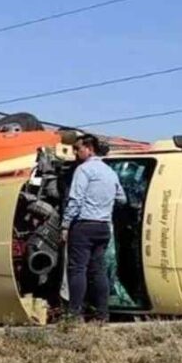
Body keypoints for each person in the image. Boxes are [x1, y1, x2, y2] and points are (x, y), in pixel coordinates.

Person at [61, 134, 126, 323]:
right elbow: (121, 198)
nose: (75, 152)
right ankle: (102, 314)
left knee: (77, 269)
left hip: (84, 225)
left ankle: (74, 314)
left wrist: (65, 225)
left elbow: (75, 199)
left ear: (89, 148)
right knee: (98, 270)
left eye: (78, 148)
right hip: (103, 227)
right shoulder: (110, 172)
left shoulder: (84, 170)